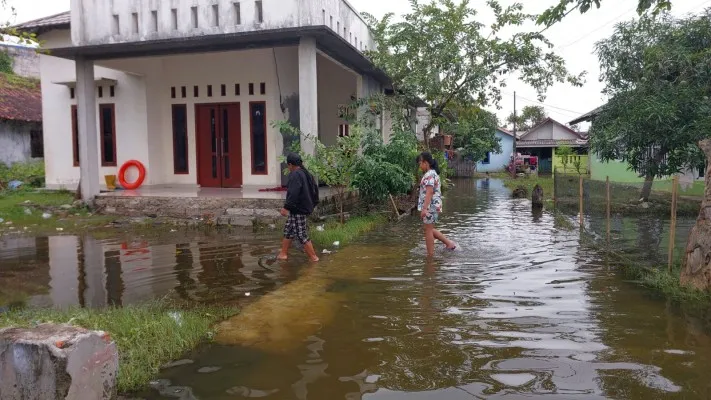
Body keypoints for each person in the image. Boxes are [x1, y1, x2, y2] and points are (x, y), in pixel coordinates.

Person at [278, 153, 320, 262]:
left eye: (288, 165)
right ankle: (283, 254)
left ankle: (314, 258)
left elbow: (293, 193)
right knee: (289, 230)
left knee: (301, 234)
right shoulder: (306, 173)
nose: (289, 167)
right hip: (300, 208)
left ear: (290, 164)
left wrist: (286, 207)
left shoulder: (295, 174)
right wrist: (313, 204)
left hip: (298, 209)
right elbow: (315, 191)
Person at [417, 152, 457, 257]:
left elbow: (429, 192)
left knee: (428, 230)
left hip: (430, 207)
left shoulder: (430, 174)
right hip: (432, 206)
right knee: (428, 229)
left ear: (426, 163)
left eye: (420, 163)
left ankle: (430, 256)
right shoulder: (432, 173)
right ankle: (449, 243)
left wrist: (424, 209)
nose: (419, 166)